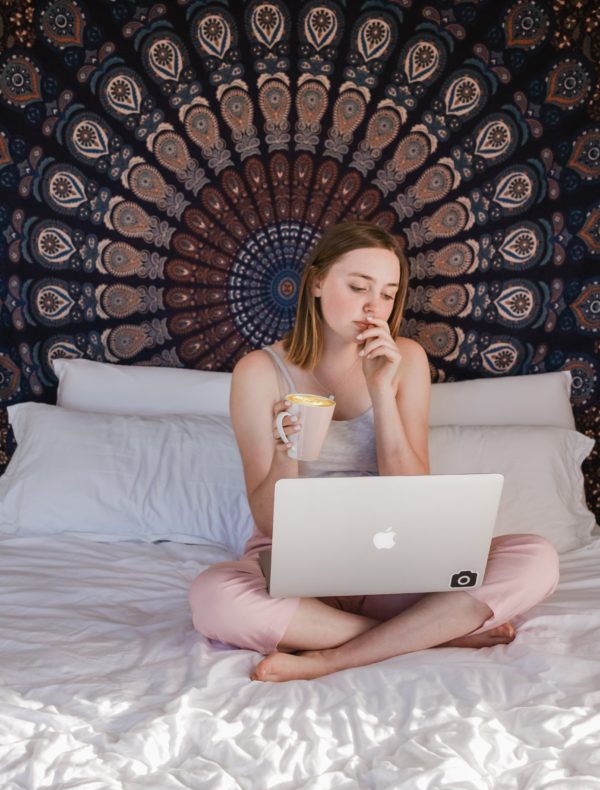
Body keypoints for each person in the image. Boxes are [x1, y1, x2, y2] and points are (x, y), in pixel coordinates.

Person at [188, 220, 560, 683]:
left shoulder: (406, 360)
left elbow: (413, 496)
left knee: (536, 557)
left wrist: (381, 391)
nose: (373, 306)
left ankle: (331, 656)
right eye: (358, 286)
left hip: (395, 556)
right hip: (297, 563)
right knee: (212, 597)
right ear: (317, 282)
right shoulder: (259, 372)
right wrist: (286, 451)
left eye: (387, 293)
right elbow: (268, 522)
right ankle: (431, 633)